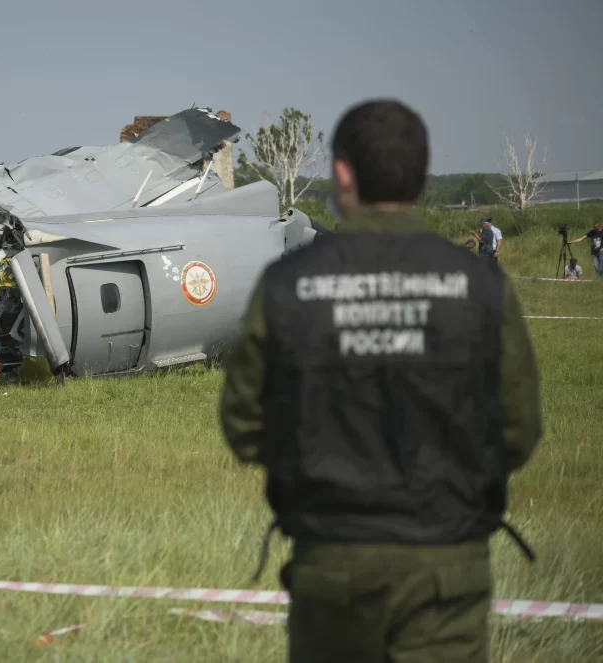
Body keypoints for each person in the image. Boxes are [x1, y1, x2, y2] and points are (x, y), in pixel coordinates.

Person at [220, 99, 542, 663]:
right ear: (420, 176)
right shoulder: (479, 283)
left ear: (342, 173)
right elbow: (519, 428)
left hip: (332, 566)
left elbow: (245, 425)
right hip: (447, 565)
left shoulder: (288, 285)